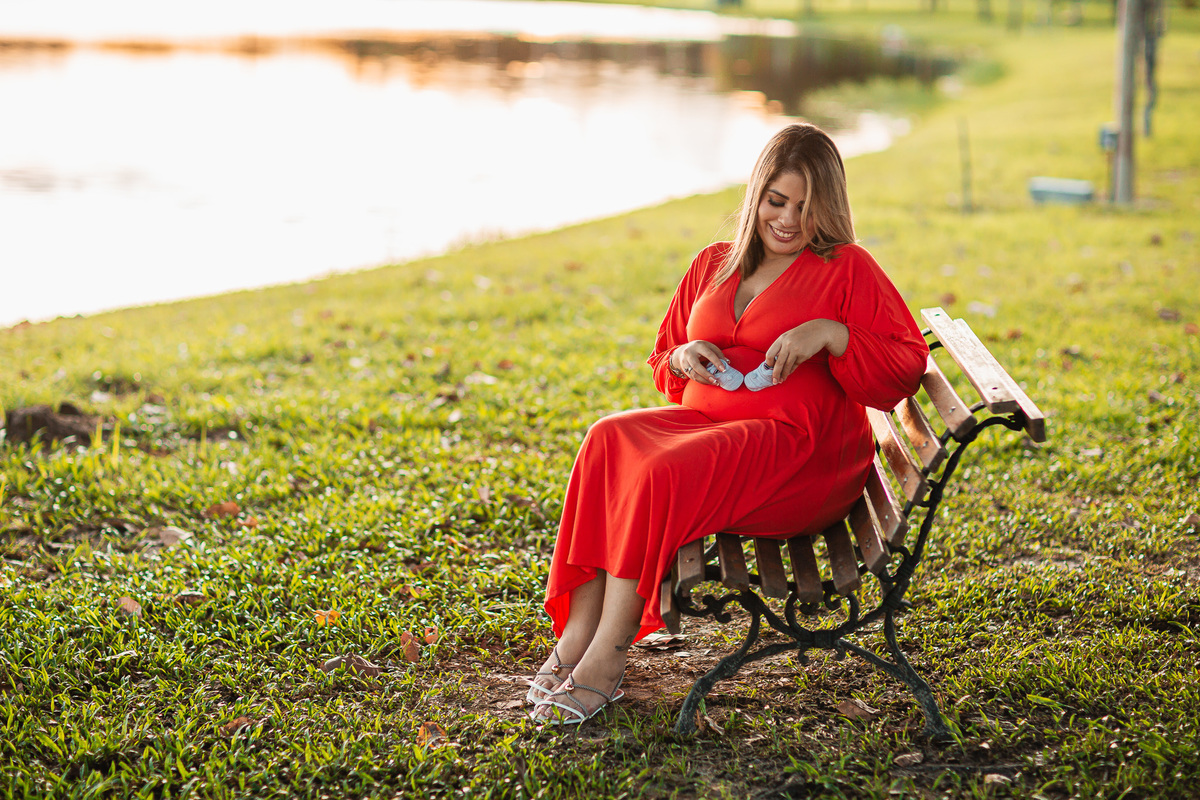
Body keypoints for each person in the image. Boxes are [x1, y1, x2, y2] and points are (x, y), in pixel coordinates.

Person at [526, 123, 930, 725]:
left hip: (800, 453)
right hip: (710, 428)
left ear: (830, 208)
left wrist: (833, 334)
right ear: (755, 196)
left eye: (806, 206)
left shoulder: (846, 267)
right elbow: (666, 360)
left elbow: (903, 363)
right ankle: (578, 633)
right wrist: (687, 355)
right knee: (607, 439)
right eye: (776, 201)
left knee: (661, 472)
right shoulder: (715, 263)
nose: (788, 219)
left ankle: (606, 663)